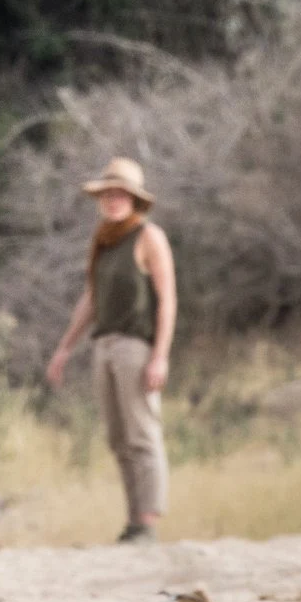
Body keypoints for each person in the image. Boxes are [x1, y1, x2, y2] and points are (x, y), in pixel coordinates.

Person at [45, 157, 178, 544]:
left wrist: (160, 355)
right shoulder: (104, 241)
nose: (113, 200)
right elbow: (91, 298)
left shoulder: (148, 237)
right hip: (104, 343)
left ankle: (149, 519)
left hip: (135, 344)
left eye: (121, 195)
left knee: (142, 432)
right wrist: (65, 347)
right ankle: (134, 518)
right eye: (108, 194)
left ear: (134, 200)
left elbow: (167, 300)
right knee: (118, 436)